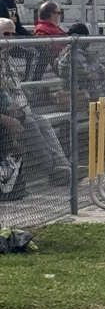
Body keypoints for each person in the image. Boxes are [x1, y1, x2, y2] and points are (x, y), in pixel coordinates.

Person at [0, 17, 72, 185]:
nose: (11, 38)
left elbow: (14, 90)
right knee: (31, 124)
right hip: (6, 114)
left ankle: (63, 166)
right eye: (6, 34)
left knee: (42, 122)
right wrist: (11, 111)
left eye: (13, 34)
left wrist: (20, 108)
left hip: (18, 110)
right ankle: (54, 171)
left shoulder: (6, 59)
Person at [58, 23, 105, 102]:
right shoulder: (73, 53)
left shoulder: (83, 52)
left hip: (87, 87)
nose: (87, 40)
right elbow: (89, 73)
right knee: (100, 79)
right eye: (85, 37)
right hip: (78, 90)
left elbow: (97, 66)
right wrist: (103, 72)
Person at [0, 0, 33, 81]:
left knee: (38, 48)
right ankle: (30, 82)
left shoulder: (11, 5)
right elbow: (14, 27)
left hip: (11, 39)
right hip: (5, 41)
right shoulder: (4, 3)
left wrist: (32, 37)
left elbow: (16, 25)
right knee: (33, 52)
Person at [32, 0, 67, 80]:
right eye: (59, 13)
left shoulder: (50, 27)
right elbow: (43, 46)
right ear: (52, 14)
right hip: (60, 61)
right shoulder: (42, 28)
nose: (59, 16)